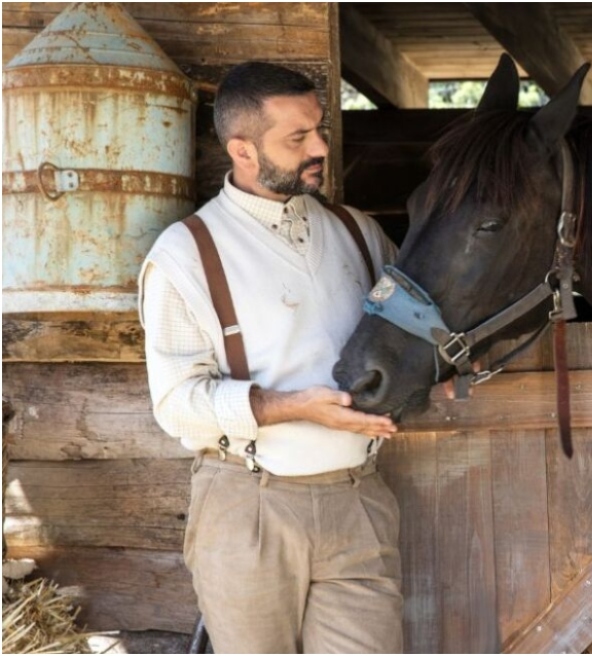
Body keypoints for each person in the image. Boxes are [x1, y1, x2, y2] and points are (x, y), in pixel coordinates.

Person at [138, 62, 403, 653]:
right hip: (249, 506)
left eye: (319, 130)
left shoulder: (359, 233)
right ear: (243, 150)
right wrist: (297, 407)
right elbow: (178, 406)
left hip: (359, 499)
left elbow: (414, 326)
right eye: (297, 138)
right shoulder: (185, 255)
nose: (320, 149)